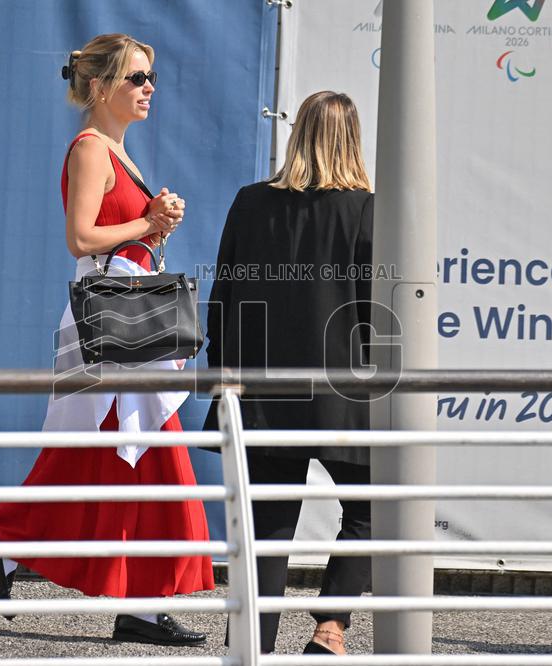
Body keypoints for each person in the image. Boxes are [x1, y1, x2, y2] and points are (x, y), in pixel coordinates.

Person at [0, 33, 213, 647]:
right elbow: (81, 238)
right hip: (109, 324)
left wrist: (156, 224)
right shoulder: (92, 150)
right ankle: (131, 599)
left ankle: (19, 544)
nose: (149, 87)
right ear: (101, 88)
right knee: (146, 455)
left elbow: (120, 238)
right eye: (136, 78)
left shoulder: (118, 153)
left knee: (114, 457)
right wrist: (149, 220)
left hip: (126, 320)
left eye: (151, 76)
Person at [204, 91, 374, 655]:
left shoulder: (251, 203)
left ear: (296, 132)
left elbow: (222, 297)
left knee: (268, 528)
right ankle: (331, 627)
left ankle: (251, 646)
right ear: (352, 138)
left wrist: (224, 377)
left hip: (262, 391)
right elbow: (378, 309)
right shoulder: (369, 210)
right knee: (376, 507)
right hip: (344, 393)